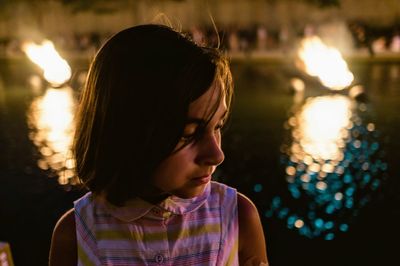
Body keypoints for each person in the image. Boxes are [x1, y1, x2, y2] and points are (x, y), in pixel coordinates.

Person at [49, 24, 268, 266]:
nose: (217, 155)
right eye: (189, 134)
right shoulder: (77, 235)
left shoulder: (237, 217)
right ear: (129, 133)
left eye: (218, 126)